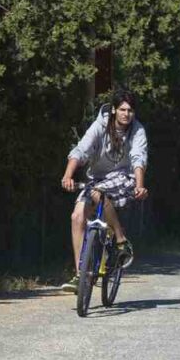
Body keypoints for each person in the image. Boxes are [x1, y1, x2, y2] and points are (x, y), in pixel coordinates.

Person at [60, 89, 148, 293]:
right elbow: (82, 149)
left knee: (98, 192)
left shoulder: (137, 130)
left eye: (131, 110)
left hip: (124, 176)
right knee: (77, 216)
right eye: (123, 109)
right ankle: (81, 274)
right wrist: (67, 176)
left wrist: (140, 185)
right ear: (115, 110)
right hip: (97, 178)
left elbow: (138, 158)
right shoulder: (100, 125)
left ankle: (120, 241)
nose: (127, 114)